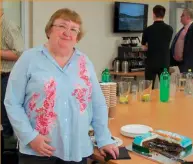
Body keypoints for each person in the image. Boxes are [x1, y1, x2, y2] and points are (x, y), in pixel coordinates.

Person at [4, 8, 119, 164]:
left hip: (77, 149)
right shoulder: (29, 59)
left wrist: (104, 138)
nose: (67, 32)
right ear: (49, 29)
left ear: (77, 37)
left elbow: (97, 103)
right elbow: (12, 102)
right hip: (38, 149)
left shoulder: (84, 62)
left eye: (73, 29)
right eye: (62, 26)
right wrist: (30, 137)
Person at [1, 8, 24, 138]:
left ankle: (6, 154)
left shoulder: (9, 26)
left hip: (6, 78)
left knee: (5, 119)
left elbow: (19, 53)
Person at [141, 5, 173, 89]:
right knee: (164, 87)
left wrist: (149, 46)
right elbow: (165, 43)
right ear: (163, 15)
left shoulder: (148, 30)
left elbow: (143, 47)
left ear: (153, 14)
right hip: (164, 62)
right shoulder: (169, 29)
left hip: (151, 62)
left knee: (148, 89)